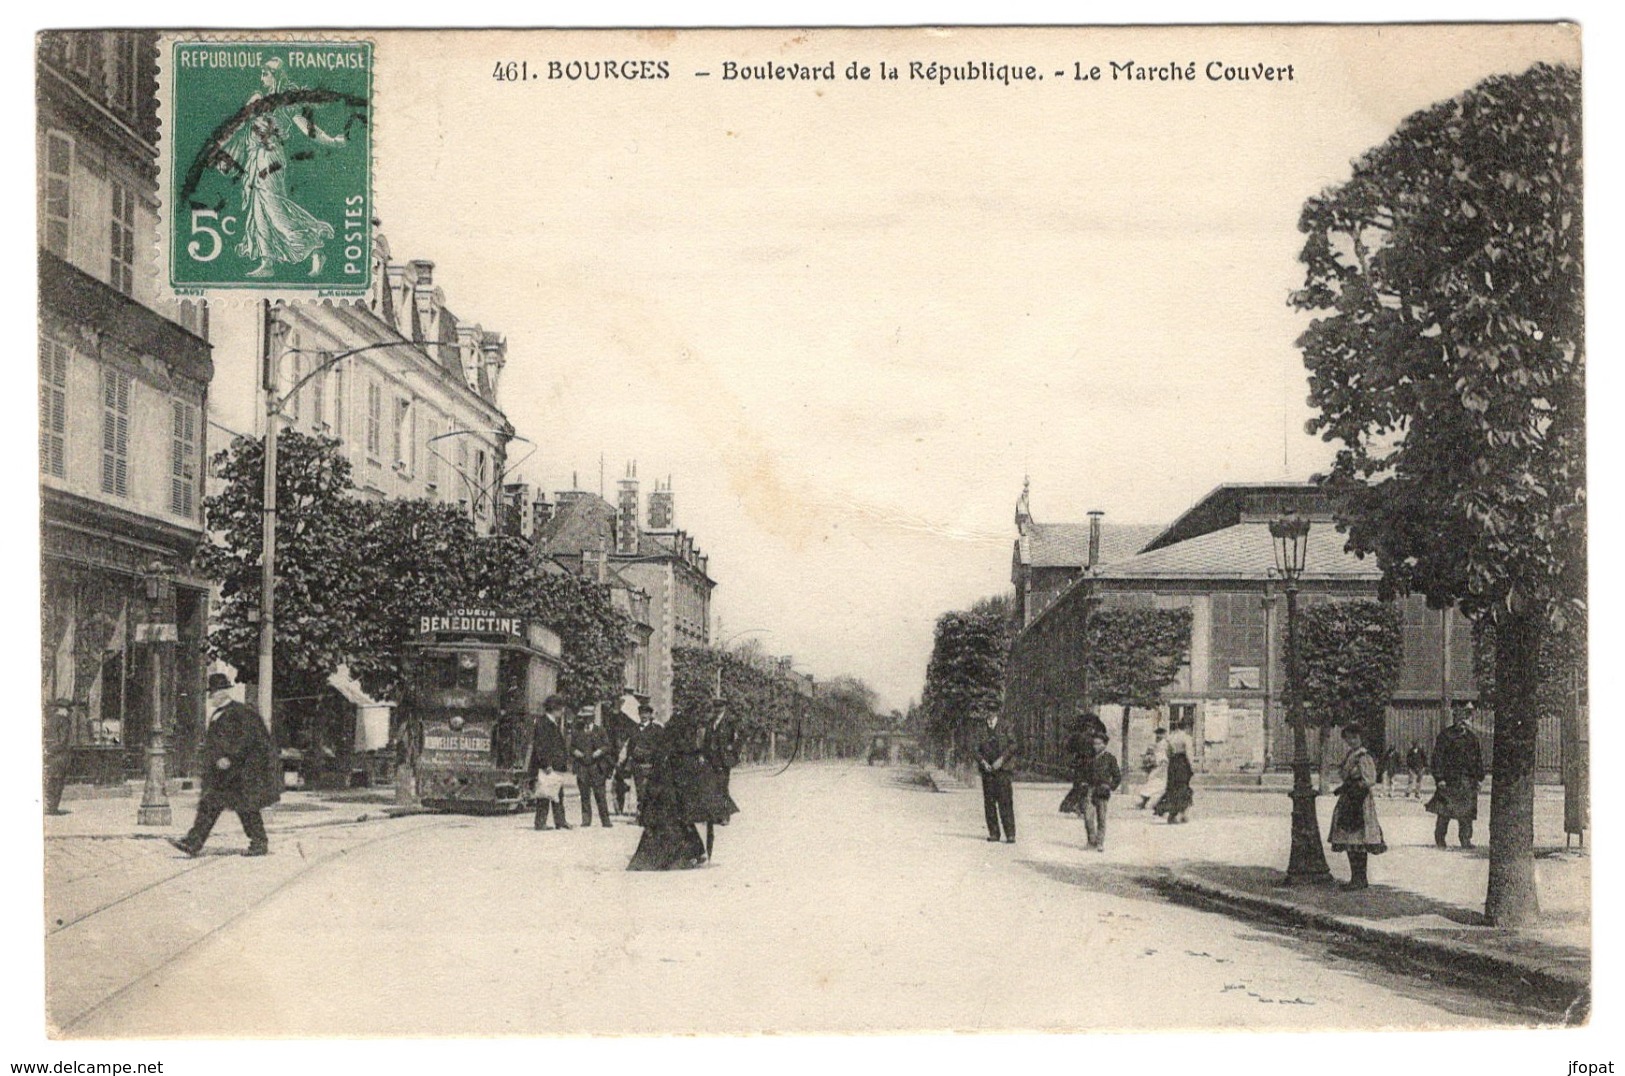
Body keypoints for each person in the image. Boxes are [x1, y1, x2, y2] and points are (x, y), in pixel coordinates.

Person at [216, 58, 346, 278]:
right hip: (254, 158)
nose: (262, 78)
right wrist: (220, 147)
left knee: (275, 209)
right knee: (258, 211)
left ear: (275, 76)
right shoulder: (257, 98)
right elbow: (237, 125)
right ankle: (267, 262)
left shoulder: (286, 103)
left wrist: (332, 141)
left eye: (265, 73)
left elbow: (308, 129)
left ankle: (314, 246)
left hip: (271, 159)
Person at [169, 674, 280, 857]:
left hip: (238, 772)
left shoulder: (240, 712)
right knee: (213, 805)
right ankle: (194, 842)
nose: (210, 696)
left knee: (245, 809)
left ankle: (259, 842)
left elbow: (247, 739)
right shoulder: (218, 713)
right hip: (225, 774)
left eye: (213, 692)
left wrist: (229, 757)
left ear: (222, 693)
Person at [627, 713, 707, 871]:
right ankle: (688, 853)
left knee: (668, 824)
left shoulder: (667, 742)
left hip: (662, 791)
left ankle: (686, 853)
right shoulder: (683, 746)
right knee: (677, 823)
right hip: (670, 792)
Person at [1328, 724, 1387, 890]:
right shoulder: (1351, 755)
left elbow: (1370, 779)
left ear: (1361, 738)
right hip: (1349, 797)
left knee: (1358, 837)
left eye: (1355, 737)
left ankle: (1360, 878)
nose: (1351, 741)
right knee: (1349, 838)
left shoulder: (1363, 756)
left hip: (1359, 799)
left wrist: (1354, 785)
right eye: (1348, 738)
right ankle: (1356, 877)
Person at [1427, 704, 1485, 849]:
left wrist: (1479, 778)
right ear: (1455, 719)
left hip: (1467, 781)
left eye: (1465, 718)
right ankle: (1440, 839)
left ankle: (1465, 839)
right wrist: (1439, 778)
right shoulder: (1446, 736)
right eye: (1460, 718)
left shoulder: (1472, 739)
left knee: (1467, 813)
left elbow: (1477, 759)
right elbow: (1437, 758)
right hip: (1449, 781)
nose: (1463, 721)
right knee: (1445, 811)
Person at [698, 698, 743, 861]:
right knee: (712, 787)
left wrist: (733, 751)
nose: (717, 709)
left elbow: (739, 739)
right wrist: (703, 755)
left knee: (723, 787)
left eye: (720, 707)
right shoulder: (711, 723)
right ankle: (714, 813)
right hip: (711, 759)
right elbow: (706, 740)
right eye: (715, 707)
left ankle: (725, 815)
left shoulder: (730, 722)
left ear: (724, 707)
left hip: (723, 760)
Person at [528, 696, 571, 831]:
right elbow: (540, 746)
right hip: (548, 765)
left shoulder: (552, 722)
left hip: (556, 765)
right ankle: (540, 823)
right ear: (554, 709)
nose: (562, 711)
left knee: (557, 793)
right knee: (545, 793)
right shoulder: (543, 723)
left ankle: (560, 821)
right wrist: (546, 764)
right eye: (561, 708)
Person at [975, 711, 1019, 843]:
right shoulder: (981, 728)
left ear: (996, 713)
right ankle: (994, 833)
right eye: (987, 710)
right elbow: (974, 749)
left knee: (1005, 801)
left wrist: (1002, 759)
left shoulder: (1006, 726)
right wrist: (983, 762)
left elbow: (1013, 745)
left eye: (992, 710)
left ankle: (1010, 834)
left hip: (1003, 770)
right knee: (989, 803)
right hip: (987, 771)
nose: (990, 714)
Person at [571, 707, 613, 828]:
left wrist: (599, 751)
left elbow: (607, 746)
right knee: (584, 794)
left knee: (600, 795)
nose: (586, 719)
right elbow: (571, 747)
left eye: (588, 717)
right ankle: (586, 820)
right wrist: (575, 752)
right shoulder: (577, 731)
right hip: (582, 767)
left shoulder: (600, 730)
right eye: (584, 717)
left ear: (593, 717)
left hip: (597, 767)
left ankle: (605, 820)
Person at [1079, 732, 1122, 852]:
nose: (1095, 746)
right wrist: (1083, 783)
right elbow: (1082, 773)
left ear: (1105, 745)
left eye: (1098, 744)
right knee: (1088, 817)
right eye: (1094, 744)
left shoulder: (1110, 758)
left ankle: (1099, 843)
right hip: (1090, 789)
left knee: (1101, 817)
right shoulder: (1089, 758)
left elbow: (1117, 776)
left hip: (1102, 791)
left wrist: (1110, 786)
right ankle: (1091, 841)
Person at [625, 701, 659, 820]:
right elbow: (630, 746)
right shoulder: (634, 728)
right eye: (641, 713)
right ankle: (640, 815)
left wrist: (646, 752)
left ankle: (648, 815)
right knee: (639, 790)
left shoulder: (656, 730)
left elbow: (658, 747)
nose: (644, 716)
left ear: (650, 715)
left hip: (649, 764)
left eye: (646, 713)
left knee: (648, 790)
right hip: (636, 765)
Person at [1155, 720, 1194, 824]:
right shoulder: (1186, 738)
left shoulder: (1170, 737)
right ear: (1186, 727)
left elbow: (1167, 752)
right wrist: (1191, 766)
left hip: (1173, 764)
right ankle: (1183, 814)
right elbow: (1189, 753)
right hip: (1182, 763)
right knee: (1183, 788)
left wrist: (1172, 760)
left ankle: (1172, 815)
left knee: (1172, 788)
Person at [43, 700, 74, 816]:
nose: (69, 713)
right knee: (57, 782)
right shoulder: (64, 721)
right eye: (67, 710)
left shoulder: (49, 720)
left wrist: (47, 751)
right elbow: (63, 740)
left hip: (49, 756)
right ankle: (53, 808)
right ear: (61, 709)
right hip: (60, 757)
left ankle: (49, 807)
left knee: (50, 781)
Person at [1137, 727, 1169, 810]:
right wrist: (1148, 759)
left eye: (1161, 734)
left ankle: (1155, 802)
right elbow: (1149, 753)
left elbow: (1166, 756)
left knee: (1159, 784)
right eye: (1157, 734)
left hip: (1162, 766)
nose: (1158, 736)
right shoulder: (1154, 744)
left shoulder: (1166, 744)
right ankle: (1145, 801)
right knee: (1151, 781)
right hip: (1155, 766)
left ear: (1164, 735)